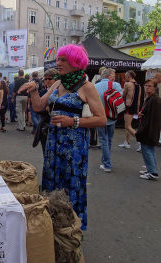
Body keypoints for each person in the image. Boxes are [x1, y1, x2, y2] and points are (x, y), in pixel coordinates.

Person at [19, 44, 106, 230]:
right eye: (58, 59)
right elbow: (39, 106)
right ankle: (53, 226)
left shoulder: (86, 86)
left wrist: (72, 121)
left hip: (73, 147)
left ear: (76, 62)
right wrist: (34, 90)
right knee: (52, 181)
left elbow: (102, 119)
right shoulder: (59, 83)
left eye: (63, 60)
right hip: (53, 143)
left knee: (70, 185)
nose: (58, 63)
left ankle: (71, 230)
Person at [132, 79, 161, 180]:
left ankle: (152, 172)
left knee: (148, 151)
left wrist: (151, 132)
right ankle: (150, 169)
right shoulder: (150, 98)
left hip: (149, 130)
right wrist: (141, 114)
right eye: (146, 85)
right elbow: (148, 113)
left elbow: (155, 118)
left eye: (150, 86)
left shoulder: (155, 99)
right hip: (146, 129)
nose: (147, 87)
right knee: (149, 151)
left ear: (155, 88)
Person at [95, 68, 123, 173]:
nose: (114, 77)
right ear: (108, 76)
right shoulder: (116, 85)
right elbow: (121, 97)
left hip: (100, 117)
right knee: (109, 140)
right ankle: (105, 162)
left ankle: (107, 164)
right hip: (112, 117)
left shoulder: (95, 86)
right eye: (113, 75)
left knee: (103, 141)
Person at [119, 70, 141, 150]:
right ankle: (126, 142)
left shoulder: (127, 84)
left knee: (128, 126)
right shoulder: (138, 85)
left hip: (128, 106)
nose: (125, 78)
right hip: (134, 106)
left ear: (129, 76)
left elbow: (123, 94)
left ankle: (141, 141)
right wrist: (138, 110)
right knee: (127, 125)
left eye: (125, 76)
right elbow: (138, 99)